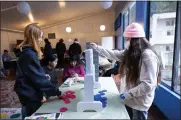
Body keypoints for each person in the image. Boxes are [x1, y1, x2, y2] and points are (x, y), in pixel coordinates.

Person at [91, 23, 162, 120]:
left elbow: (148, 85)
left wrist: (128, 94)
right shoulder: (131, 53)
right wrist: (97, 48)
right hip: (130, 99)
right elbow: (114, 54)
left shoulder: (148, 56)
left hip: (139, 102)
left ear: (135, 40)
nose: (126, 42)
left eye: (127, 40)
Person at [14, 24, 62, 119]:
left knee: (28, 112)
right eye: (40, 37)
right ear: (34, 37)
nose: (41, 40)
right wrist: (57, 92)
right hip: (29, 93)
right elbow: (39, 79)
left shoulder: (27, 53)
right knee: (31, 115)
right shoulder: (29, 55)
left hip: (27, 91)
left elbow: (31, 75)